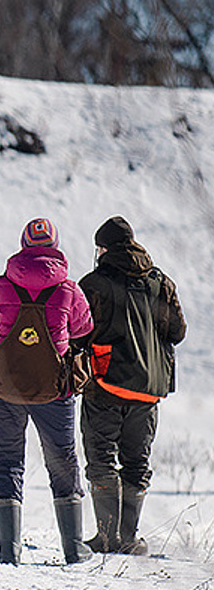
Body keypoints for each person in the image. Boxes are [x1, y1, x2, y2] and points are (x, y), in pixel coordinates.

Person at [0, 218, 93, 565]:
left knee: (8, 460)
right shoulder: (69, 289)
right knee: (62, 459)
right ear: (54, 247)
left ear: (23, 246)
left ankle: (7, 549)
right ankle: (73, 548)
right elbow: (85, 325)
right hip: (54, 390)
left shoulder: (0, 285)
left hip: (2, 389)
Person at [79, 216, 185, 556]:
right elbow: (178, 332)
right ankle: (128, 538)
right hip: (148, 388)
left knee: (101, 459)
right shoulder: (161, 282)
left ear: (104, 248)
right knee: (136, 462)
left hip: (106, 385)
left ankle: (106, 536)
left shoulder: (93, 283)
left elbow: (79, 331)